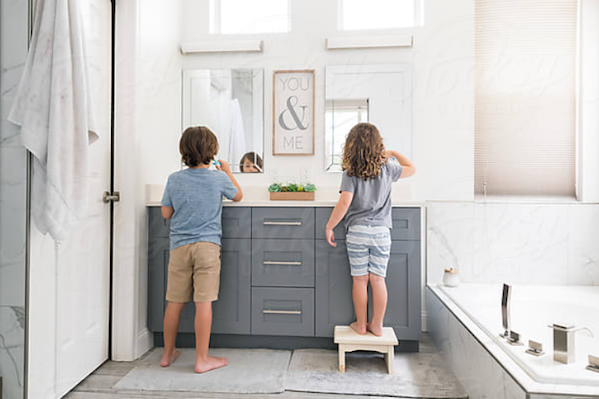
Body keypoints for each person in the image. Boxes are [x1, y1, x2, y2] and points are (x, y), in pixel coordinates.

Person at [160, 126, 243, 373]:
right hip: (207, 247)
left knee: (174, 302)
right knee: (203, 303)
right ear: (212, 152)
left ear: (183, 151)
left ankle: (166, 354)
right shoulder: (218, 178)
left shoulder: (174, 179)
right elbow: (238, 196)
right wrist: (227, 171)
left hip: (179, 248)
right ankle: (202, 359)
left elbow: (166, 212)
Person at [325, 122, 416, 337]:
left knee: (360, 279)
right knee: (377, 279)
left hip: (357, 232)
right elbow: (412, 169)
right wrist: (393, 153)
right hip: (382, 232)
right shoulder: (388, 168)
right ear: (378, 145)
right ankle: (377, 325)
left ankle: (361, 324)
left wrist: (330, 226)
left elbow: (344, 203)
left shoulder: (351, 172)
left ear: (351, 146)